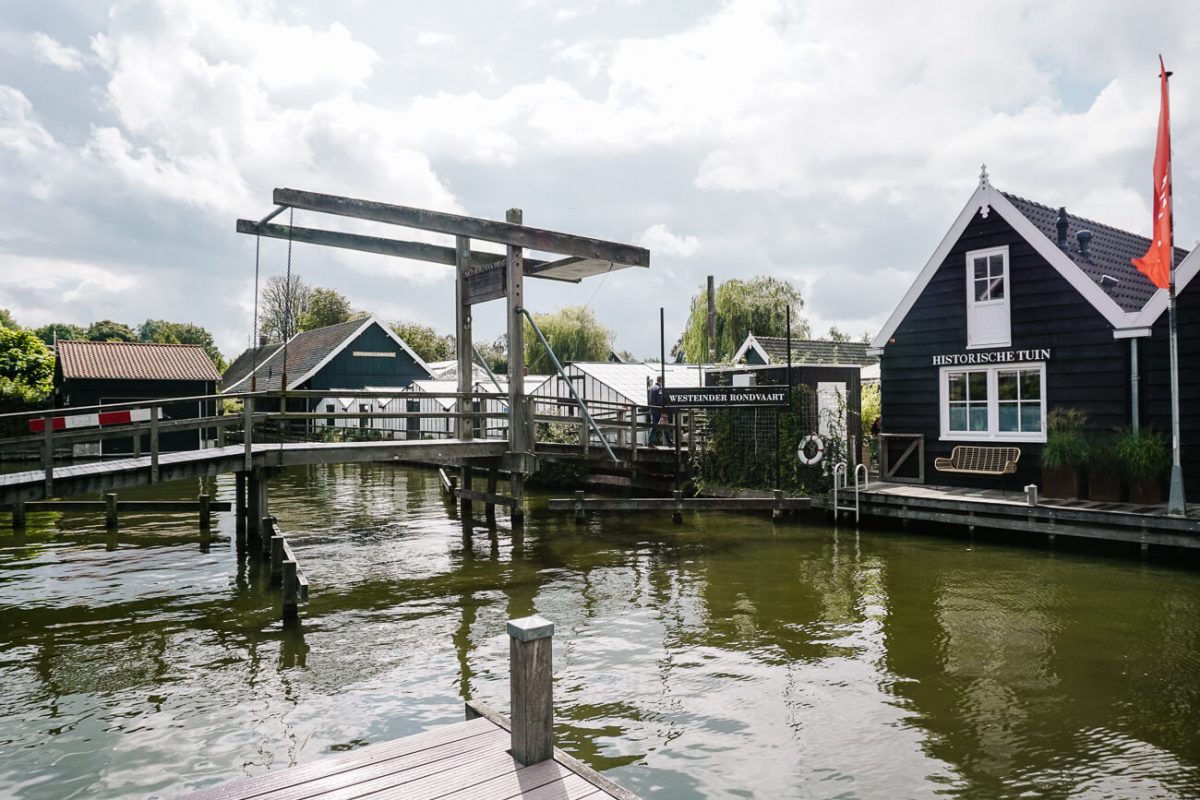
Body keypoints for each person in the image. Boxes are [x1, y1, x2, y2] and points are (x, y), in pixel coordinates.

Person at [648, 376, 663, 445]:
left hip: (652, 408)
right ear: (661, 380)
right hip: (658, 409)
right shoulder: (659, 388)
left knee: (654, 425)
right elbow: (659, 400)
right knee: (665, 424)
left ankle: (650, 441)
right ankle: (669, 441)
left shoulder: (651, 388)